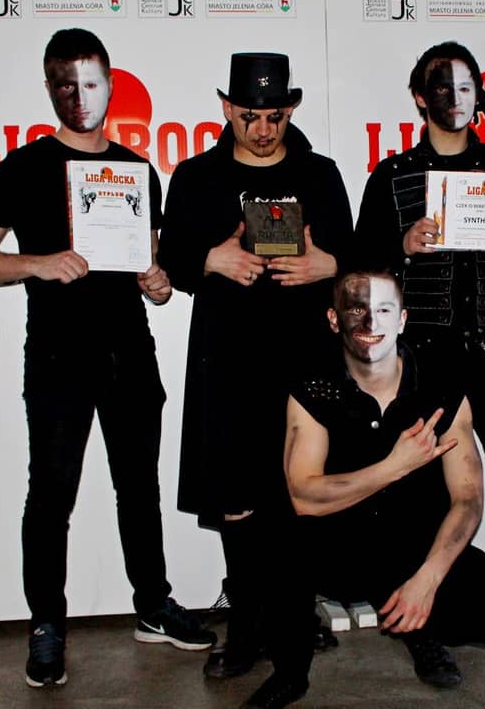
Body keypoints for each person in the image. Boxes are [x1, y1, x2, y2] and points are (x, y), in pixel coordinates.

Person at [0, 28, 215, 688]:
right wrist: (36, 263)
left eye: (90, 82)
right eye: (65, 84)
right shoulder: (24, 167)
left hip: (130, 355)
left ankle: (152, 605)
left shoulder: (136, 170)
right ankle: (46, 624)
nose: (79, 96)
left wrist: (157, 282)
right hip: (57, 359)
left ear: (110, 85)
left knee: (139, 489)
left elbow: (151, 267)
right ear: (50, 88)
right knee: (50, 496)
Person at [353, 41, 485, 638]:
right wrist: (402, 246)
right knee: (421, 489)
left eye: (467, 86)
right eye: (442, 87)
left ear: (480, 96)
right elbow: (361, 269)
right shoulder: (392, 176)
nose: (456, 98)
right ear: (420, 97)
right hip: (422, 355)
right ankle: (430, 605)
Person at [157, 52, 353, 683]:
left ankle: (295, 616)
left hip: (305, 360)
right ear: (226, 108)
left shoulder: (320, 174)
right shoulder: (195, 176)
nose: (263, 129)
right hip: (228, 362)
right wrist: (209, 260)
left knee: (300, 492)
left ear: (290, 109)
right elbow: (170, 259)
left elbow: (354, 257)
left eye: (274, 116)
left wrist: (329, 266)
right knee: (237, 503)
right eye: (249, 116)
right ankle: (245, 628)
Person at [245, 268, 485, 708]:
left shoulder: (441, 384)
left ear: (403, 319)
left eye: (384, 310)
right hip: (337, 540)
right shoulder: (314, 385)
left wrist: (427, 581)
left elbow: (468, 498)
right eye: (356, 310)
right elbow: (304, 496)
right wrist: (394, 466)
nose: (370, 323)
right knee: (278, 531)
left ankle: (419, 629)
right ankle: (290, 671)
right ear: (334, 319)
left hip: (410, 543)